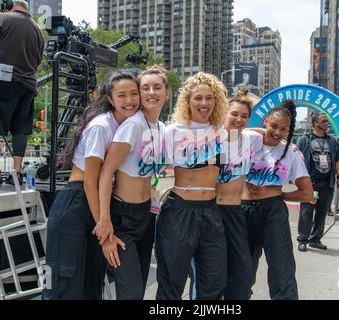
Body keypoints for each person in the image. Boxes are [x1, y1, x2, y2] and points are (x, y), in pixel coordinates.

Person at [42, 71, 140, 300]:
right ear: (110, 99)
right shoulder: (102, 126)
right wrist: (104, 227)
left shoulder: (126, 127)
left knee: (91, 284)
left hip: (94, 205)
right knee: (62, 284)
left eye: (134, 94)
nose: (129, 101)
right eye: (122, 95)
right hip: (76, 204)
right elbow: (90, 181)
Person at [94, 65, 169, 300]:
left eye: (157, 87)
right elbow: (105, 173)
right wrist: (105, 222)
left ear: (167, 93)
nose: (151, 93)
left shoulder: (160, 127)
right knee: (131, 292)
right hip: (123, 218)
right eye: (144, 88)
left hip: (146, 216)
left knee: (139, 288)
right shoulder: (133, 125)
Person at [156, 72, 228, 300]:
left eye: (209, 98)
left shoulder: (223, 133)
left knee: (214, 282)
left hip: (211, 212)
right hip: (179, 212)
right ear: (187, 101)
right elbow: (148, 167)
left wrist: (289, 145)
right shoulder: (173, 131)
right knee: (171, 282)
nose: (204, 103)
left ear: (216, 101)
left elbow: (249, 136)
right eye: (198, 98)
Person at [242, 100, 313, 300]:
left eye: (284, 129)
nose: (277, 132)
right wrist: (259, 132)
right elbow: (231, 129)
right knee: (241, 271)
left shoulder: (291, 153)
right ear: (266, 122)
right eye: (273, 126)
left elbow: (307, 193)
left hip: (273, 213)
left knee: (282, 270)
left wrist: (281, 196)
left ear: (289, 131)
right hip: (243, 211)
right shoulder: (248, 140)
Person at [0, 0, 44, 185]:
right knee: (20, 129)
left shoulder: (1, 18)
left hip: (0, 81)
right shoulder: (38, 30)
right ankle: (16, 173)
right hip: (28, 85)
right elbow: (38, 60)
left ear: (7, 5)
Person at [215, 92, 263, 300]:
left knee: (243, 272)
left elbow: (267, 133)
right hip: (212, 211)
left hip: (235, 212)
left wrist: (294, 147)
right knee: (212, 272)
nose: (239, 119)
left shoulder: (251, 139)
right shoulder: (213, 138)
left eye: (244, 116)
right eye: (234, 114)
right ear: (225, 112)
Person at [296, 112, 339, 252]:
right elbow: (297, 159)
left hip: (327, 183)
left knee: (322, 212)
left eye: (327, 120)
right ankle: (303, 239)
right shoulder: (305, 140)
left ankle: (315, 239)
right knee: (306, 212)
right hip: (310, 183)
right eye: (324, 121)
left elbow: (337, 160)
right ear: (316, 123)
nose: (327, 123)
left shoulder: (332, 141)